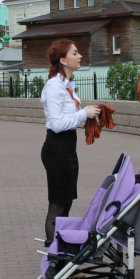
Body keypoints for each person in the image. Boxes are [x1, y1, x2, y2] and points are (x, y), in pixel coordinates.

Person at [40, 39, 100, 245]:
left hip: (67, 148)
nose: (80, 56)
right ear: (63, 60)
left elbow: (69, 117)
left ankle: (62, 252)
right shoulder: (54, 87)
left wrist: (89, 114)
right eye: (75, 53)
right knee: (57, 205)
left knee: (65, 203)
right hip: (57, 148)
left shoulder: (66, 86)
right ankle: (54, 257)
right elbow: (57, 124)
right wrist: (83, 114)